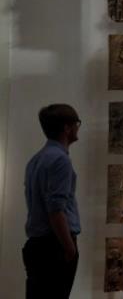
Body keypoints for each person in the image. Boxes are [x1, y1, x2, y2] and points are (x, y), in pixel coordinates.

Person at [22, 104, 82, 299]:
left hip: (36, 245)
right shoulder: (60, 160)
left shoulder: (35, 160)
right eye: (77, 124)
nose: (78, 128)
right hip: (54, 247)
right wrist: (69, 247)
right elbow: (56, 210)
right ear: (67, 128)